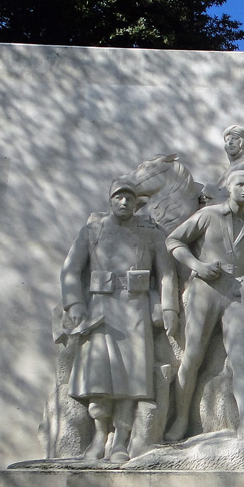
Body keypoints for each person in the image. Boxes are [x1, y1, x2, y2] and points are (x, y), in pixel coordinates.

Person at [60, 178, 179, 462]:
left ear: (137, 202)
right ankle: (99, 435)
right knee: (99, 380)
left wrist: (169, 309)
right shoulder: (92, 231)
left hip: (134, 310)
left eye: (129, 198)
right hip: (100, 310)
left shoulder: (151, 233)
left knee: (131, 381)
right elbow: (71, 271)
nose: (124, 202)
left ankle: (120, 442)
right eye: (118, 197)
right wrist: (75, 304)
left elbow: (167, 274)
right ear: (110, 200)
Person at [164, 170, 244, 441]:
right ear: (229, 187)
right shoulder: (208, 215)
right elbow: (173, 241)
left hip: (238, 295)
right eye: (240, 184)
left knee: (241, 358)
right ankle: (180, 419)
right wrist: (197, 266)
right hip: (206, 291)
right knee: (192, 357)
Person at [204, 125, 244, 204]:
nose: (230, 142)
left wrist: (215, 195)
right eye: (227, 140)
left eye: (234, 139)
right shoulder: (234, 165)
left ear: (243, 142)